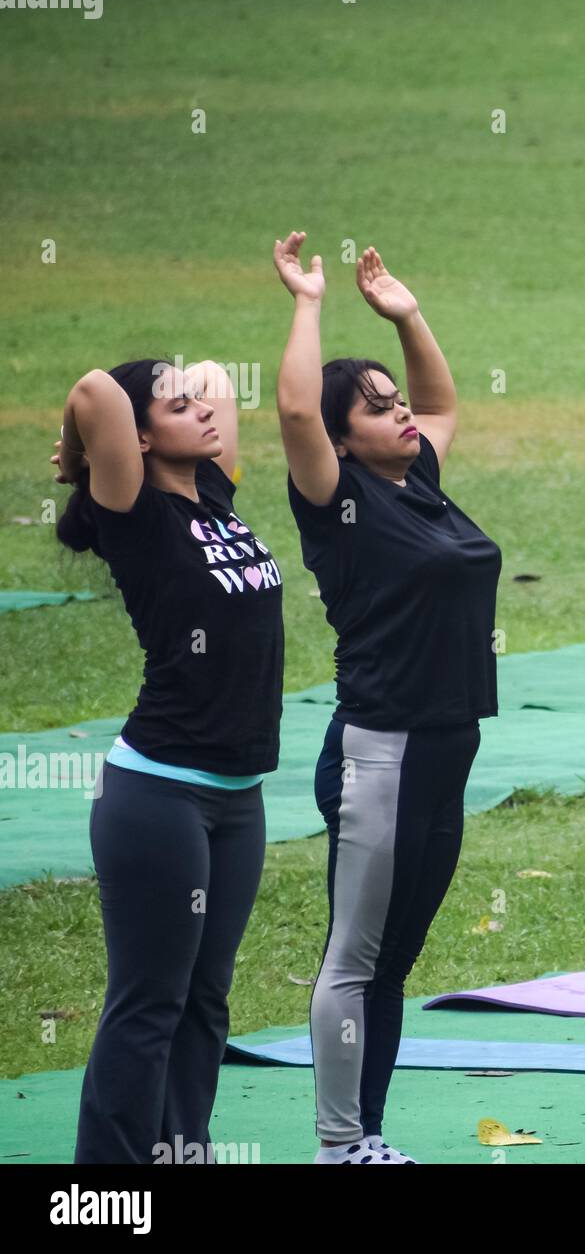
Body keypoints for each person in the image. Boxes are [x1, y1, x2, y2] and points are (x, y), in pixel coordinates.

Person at [274, 233, 502, 1164]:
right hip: (382, 749)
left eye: (393, 401)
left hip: (447, 747)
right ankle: (339, 1146)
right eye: (375, 409)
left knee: (394, 960)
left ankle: (368, 1137)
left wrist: (405, 317)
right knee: (356, 957)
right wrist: (309, 299)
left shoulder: (420, 482)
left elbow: (442, 401)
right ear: (339, 439)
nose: (401, 413)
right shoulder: (338, 500)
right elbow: (294, 407)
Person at [54, 358, 284, 1162]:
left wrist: (177, 398)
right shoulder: (134, 509)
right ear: (139, 440)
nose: (205, 410)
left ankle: (183, 1153)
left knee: (204, 1001)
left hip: (238, 797)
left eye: (198, 406)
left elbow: (218, 374)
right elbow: (92, 390)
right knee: (151, 1001)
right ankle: (106, 1189)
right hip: (160, 793)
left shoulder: (213, 492)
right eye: (175, 408)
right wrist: (79, 448)